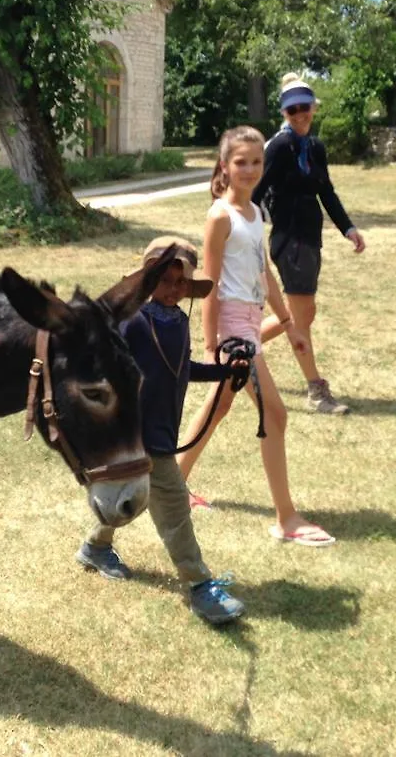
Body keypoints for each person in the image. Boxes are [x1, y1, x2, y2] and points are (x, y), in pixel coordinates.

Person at [74, 236, 247, 624]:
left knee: (132, 500)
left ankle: (95, 547)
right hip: (138, 433)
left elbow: (181, 369)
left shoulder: (180, 322)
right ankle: (200, 585)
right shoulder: (133, 321)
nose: (172, 289)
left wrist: (224, 371)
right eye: (163, 280)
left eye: (180, 282)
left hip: (163, 429)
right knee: (174, 507)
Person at [175, 127, 335, 547]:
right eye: (240, 161)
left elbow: (264, 271)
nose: (249, 169)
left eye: (256, 162)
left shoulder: (255, 213)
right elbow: (208, 281)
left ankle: (172, 483)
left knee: (220, 405)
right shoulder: (220, 216)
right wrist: (212, 347)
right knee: (276, 416)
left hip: (251, 320)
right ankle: (286, 518)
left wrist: (290, 323)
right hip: (232, 330)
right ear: (224, 166)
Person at [254, 74, 366, 415]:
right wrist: (244, 236)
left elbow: (326, 191)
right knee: (298, 320)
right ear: (285, 113)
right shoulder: (278, 147)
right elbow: (255, 193)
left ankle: (235, 350)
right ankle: (316, 391)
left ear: (314, 108)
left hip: (311, 237)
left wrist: (347, 228)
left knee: (302, 313)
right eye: (294, 109)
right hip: (290, 240)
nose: (302, 114)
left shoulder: (315, 147)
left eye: (307, 107)